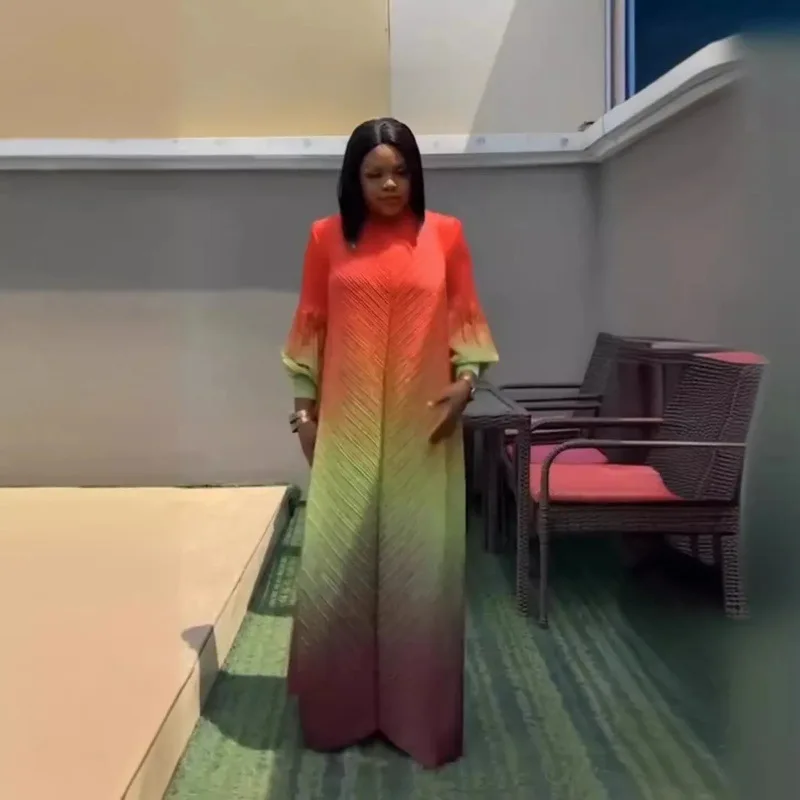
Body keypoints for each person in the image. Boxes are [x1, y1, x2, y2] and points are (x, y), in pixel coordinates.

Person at [281, 117, 499, 769]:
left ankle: (416, 717)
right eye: (375, 173)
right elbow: (310, 324)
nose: (389, 184)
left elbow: (466, 318)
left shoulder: (446, 235)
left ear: (415, 173)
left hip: (424, 425)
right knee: (339, 564)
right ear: (354, 178)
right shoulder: (326, 238)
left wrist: (467, 385)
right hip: (346, 427)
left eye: (400, 171)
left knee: (420, 569)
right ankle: (339, 712)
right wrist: (304, 412)